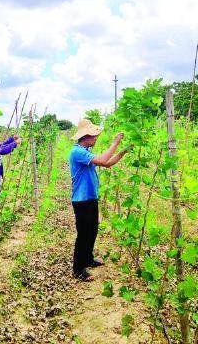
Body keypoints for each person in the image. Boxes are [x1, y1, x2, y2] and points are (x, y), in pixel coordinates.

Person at [69, 119, 130, 281]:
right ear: (85, 136)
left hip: (90, 197)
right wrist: (115, 142)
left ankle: (88, 259)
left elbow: (107, 164)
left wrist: (122, 152)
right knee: (83, 234)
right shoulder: (77, 152)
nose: (96, 138)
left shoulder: (86, 152)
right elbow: (103, 159)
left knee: (92, 230)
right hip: (81, 200)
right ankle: (78, 269)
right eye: (94, 136)